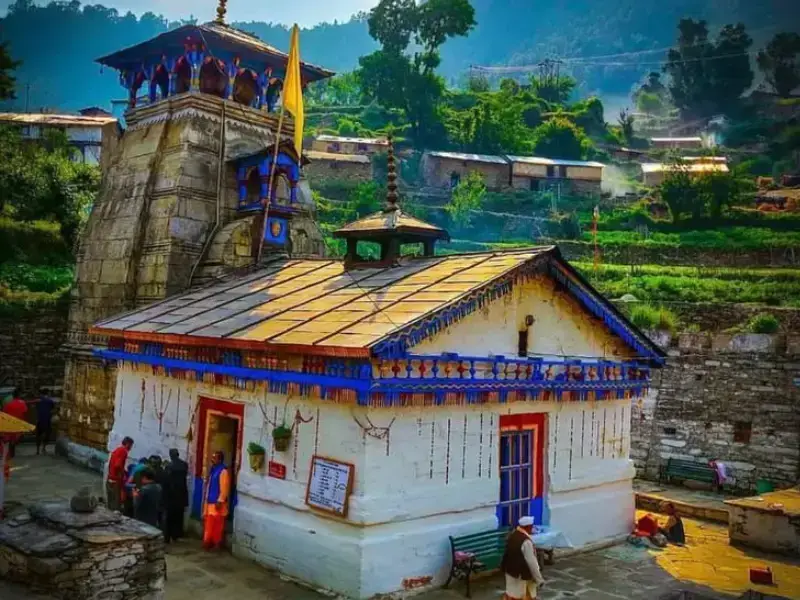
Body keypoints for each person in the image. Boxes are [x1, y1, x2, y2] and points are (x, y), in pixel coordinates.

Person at [500, 516, 545, 600]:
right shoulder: (526, 541)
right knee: (524, 595)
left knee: (511, 594)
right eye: (532, 526)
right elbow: (532, 562)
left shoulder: (513, 535)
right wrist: (539, 580)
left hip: (510, 572)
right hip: (521, 575)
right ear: (528, 527)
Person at [203, 450, 230, 551]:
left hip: (218, 503)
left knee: (217, 525)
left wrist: (220, 500)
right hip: (210, 501)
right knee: (209, 523)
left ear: (219, 459)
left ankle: (216, 543)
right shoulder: (213, 470)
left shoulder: (223, 471)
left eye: (214, 458)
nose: (212, 459)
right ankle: (208, 542)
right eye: (212, 457)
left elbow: (224, 487)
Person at [164, 448, 189, 543]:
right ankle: (176, 535)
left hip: (171, 495)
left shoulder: (169, 466)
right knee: (179, 516)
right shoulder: (184, 465)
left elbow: (167, 481)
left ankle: (168, 536)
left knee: (169, 517)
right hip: (181, 495)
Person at [107, 436, 134, 512]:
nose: (131, 448)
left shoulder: (117, 450)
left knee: (110, 503)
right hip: (116, 480)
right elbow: (117, 465)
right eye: (131, 445)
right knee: (116, 505)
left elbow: (113, 464)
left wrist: (124, 471)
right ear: (128, 444)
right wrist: (123, 475)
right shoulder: (123, 451)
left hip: (110, 478)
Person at [2, 391, 28, 460]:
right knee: (15, 438)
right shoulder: (22, 403)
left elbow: (4, 414)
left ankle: (11, 451)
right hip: (18, 424)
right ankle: (11, 451)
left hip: (10, 423)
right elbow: (25, 412)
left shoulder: (8, 404)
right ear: (19, 395)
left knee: (11, 438)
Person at [31, 388, 56, 455]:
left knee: (38, 435)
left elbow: (34, 407)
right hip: (47, 420)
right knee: (47, 434)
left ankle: (37, 450)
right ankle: (43, 448)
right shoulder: (50, 401)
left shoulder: (38, 400)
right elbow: (53, 410)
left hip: (39, 420)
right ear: (48, 393)